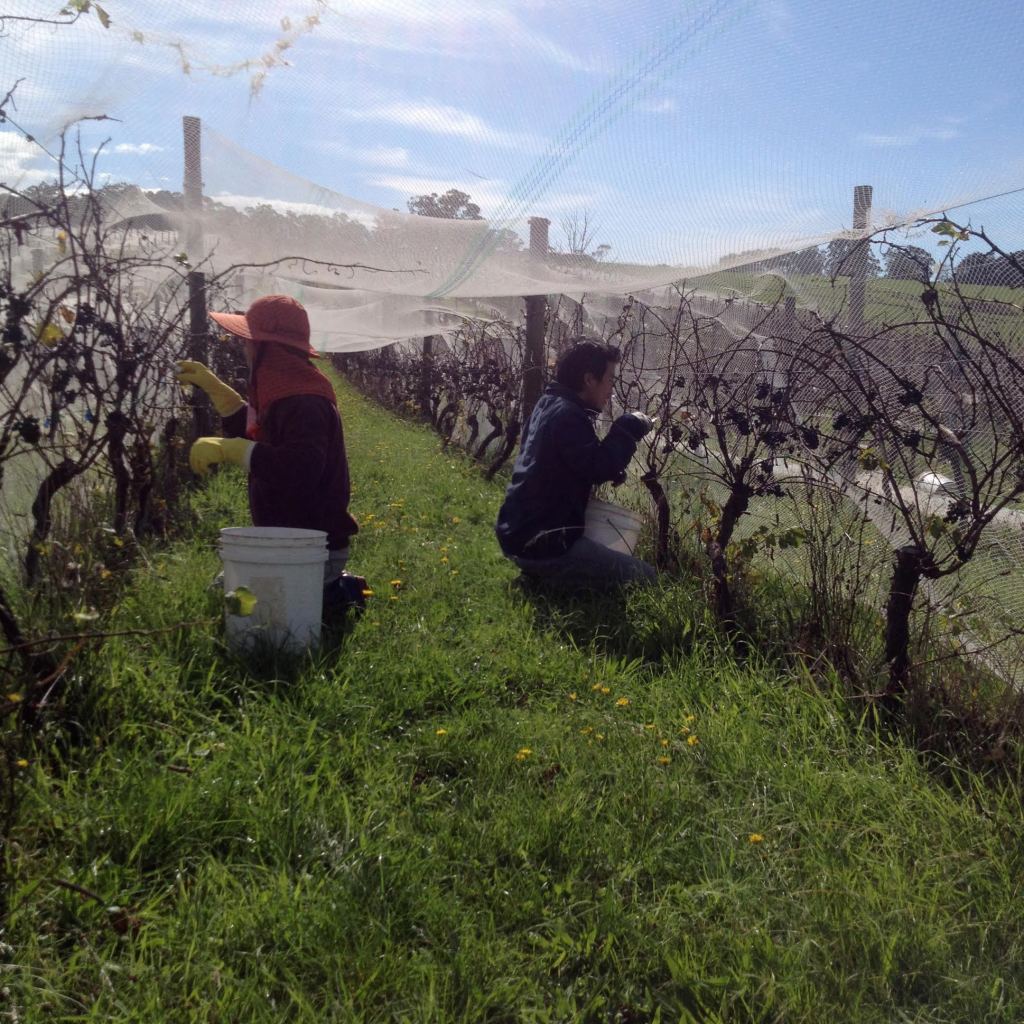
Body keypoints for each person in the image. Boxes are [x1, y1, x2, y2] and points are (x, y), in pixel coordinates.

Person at [175, 294, 358, 588]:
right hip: (290, 542)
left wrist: (231, 449)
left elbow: (300, 469)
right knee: (228, 590)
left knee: (235, 596)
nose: (244, 348)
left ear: (267, 349)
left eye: (248, 341)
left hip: (312, 553)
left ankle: (334, 591)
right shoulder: (285, 392)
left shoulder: (305, 402)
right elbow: (258, 432)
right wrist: (216, 390)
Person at [495, 339, 656, 585]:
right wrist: (628, 427)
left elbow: (569, 462)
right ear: (589, 379)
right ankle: (545, 574)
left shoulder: (548, 404)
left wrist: (609, 466)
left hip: (520, 531)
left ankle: (541, 575)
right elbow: (597, 466)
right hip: (544, 543)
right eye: (610, 379)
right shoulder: (568, 415)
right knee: (647, 578)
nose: (611, 389)